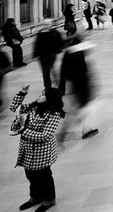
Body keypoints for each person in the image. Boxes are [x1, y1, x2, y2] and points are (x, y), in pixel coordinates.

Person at [10, 84, 65, 212]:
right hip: (27, 148)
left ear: (50, 98)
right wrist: (22, 93)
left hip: (42, 151)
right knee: (30, 174)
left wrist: (24, 131)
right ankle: (35, 196)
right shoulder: (33, 107)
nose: (40, 95)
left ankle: (49, 199)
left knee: (43, 176)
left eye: (43, 94)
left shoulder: (54, 114)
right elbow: (14, 108)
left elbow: (45, 135)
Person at [58, 38, 99, 139]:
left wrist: (62, 86)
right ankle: (83, 130)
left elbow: (63, 72)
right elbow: (83, 73)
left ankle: (82, 128)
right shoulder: (78, 55)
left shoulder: (67, 53)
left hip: (73, 85)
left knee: (78, 109)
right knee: (83, 109)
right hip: (81, 86)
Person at [33, 19, 64, 89]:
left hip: (51, 55)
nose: (46, 26)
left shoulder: (54, 33)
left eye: (47, 24)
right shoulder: (40, 33)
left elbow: (61, 42)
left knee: (50, 70)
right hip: (42, 55)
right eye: (45, 24)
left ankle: (56, 82)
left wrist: (57, 50)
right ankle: (48, 86)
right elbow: (37, 44)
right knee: (45, 72)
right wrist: (35, 54)